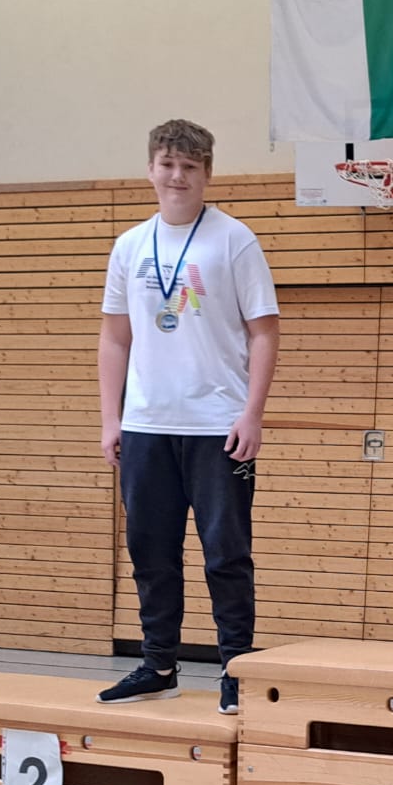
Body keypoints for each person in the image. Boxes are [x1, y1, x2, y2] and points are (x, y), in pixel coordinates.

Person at [96, 119, 280, 714]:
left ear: (207, 174)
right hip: (147, 425)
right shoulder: (129, 246)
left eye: (190, 167)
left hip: (217, 426)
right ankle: (158, 665)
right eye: (169, 164)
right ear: (151, 168)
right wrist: (111, 418)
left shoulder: (234, 240)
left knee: (226, 553)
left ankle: (236, 669)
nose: (178, 176)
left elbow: (265, 332)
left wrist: (252, 414)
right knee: (150, 551)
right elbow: (115, 338)